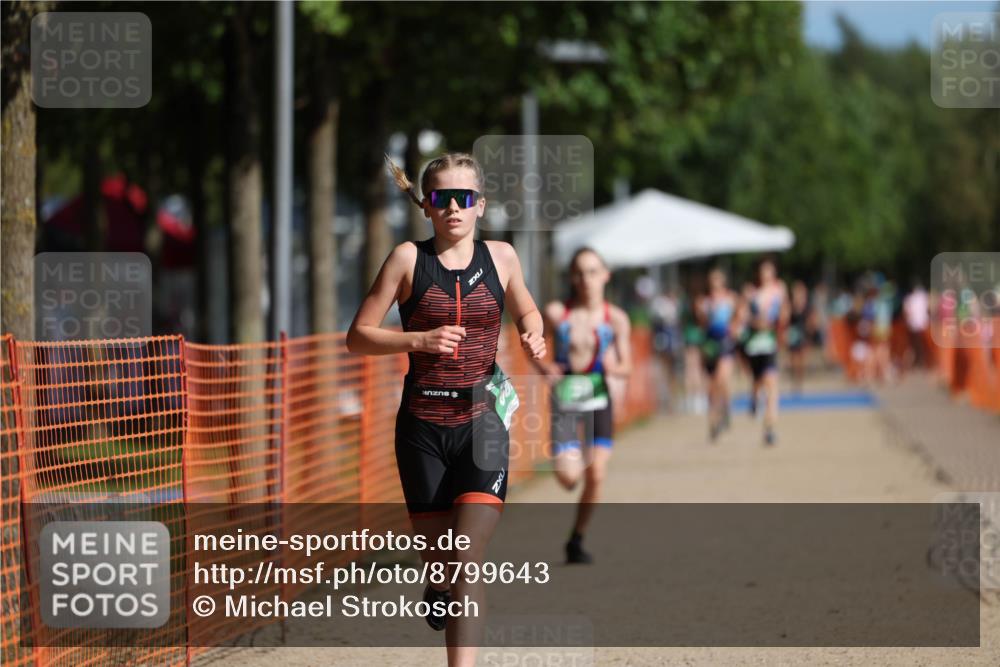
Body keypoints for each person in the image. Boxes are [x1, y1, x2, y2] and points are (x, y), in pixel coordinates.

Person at [346, 152, 546, 665]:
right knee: (443, 564)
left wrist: (534, 332)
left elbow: (526, 307)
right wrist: (419, 339)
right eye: (442, 198)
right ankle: (437, 584)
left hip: (483, 423)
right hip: (422, 430)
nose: (453, 207)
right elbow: (358, 336)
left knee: (466, 557)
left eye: (463, 197)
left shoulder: (502, 257)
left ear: (480, 204)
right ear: (427, 206)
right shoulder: (406, 260)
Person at [534, 247, 632, 564]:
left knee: (597, 473)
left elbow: (627, 365)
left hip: (599, 399)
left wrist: (614, 368)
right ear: (572, 278)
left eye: (592, 272)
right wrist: (544, 367)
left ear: (605, 275)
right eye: (579, 272)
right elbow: (532, 344)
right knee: (568, 479)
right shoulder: (556, 313)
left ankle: (576, 538)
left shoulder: (615, 319)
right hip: (565, 399)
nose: (585, 279)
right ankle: (571, 469)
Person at [738, 257, 789, 446]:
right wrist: (752, 322)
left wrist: (781, 326)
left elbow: (784, 312)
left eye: (769, 270)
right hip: (754, 344)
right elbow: (742, 315)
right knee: (758, 381)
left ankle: (769, 428)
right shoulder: (751, 292)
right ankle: (753, 398)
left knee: (772, 385)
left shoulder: (779, 289)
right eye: (763, 271)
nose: (766, 274)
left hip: (769, 342)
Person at [696, 268, 739, 441]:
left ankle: (726, 409)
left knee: (722, 379)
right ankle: (713, 421)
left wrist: (735, 328)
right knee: (711, 385)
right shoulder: (704, 301)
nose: (715, 284)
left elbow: (739, 317)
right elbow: (702, 325)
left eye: (718, 280)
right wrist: (702, 313)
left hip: (726, 342)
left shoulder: (730, 298)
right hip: (710, 344)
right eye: (712, 280)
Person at [786, 280, 811, 393]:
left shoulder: (807, 306)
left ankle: (800, 381)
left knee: (802, 359)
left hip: (802, 332)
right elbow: (786, 319)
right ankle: (795, 380)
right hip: (793, 333)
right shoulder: (790, 305)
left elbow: (810, 320)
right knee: (794, 358)